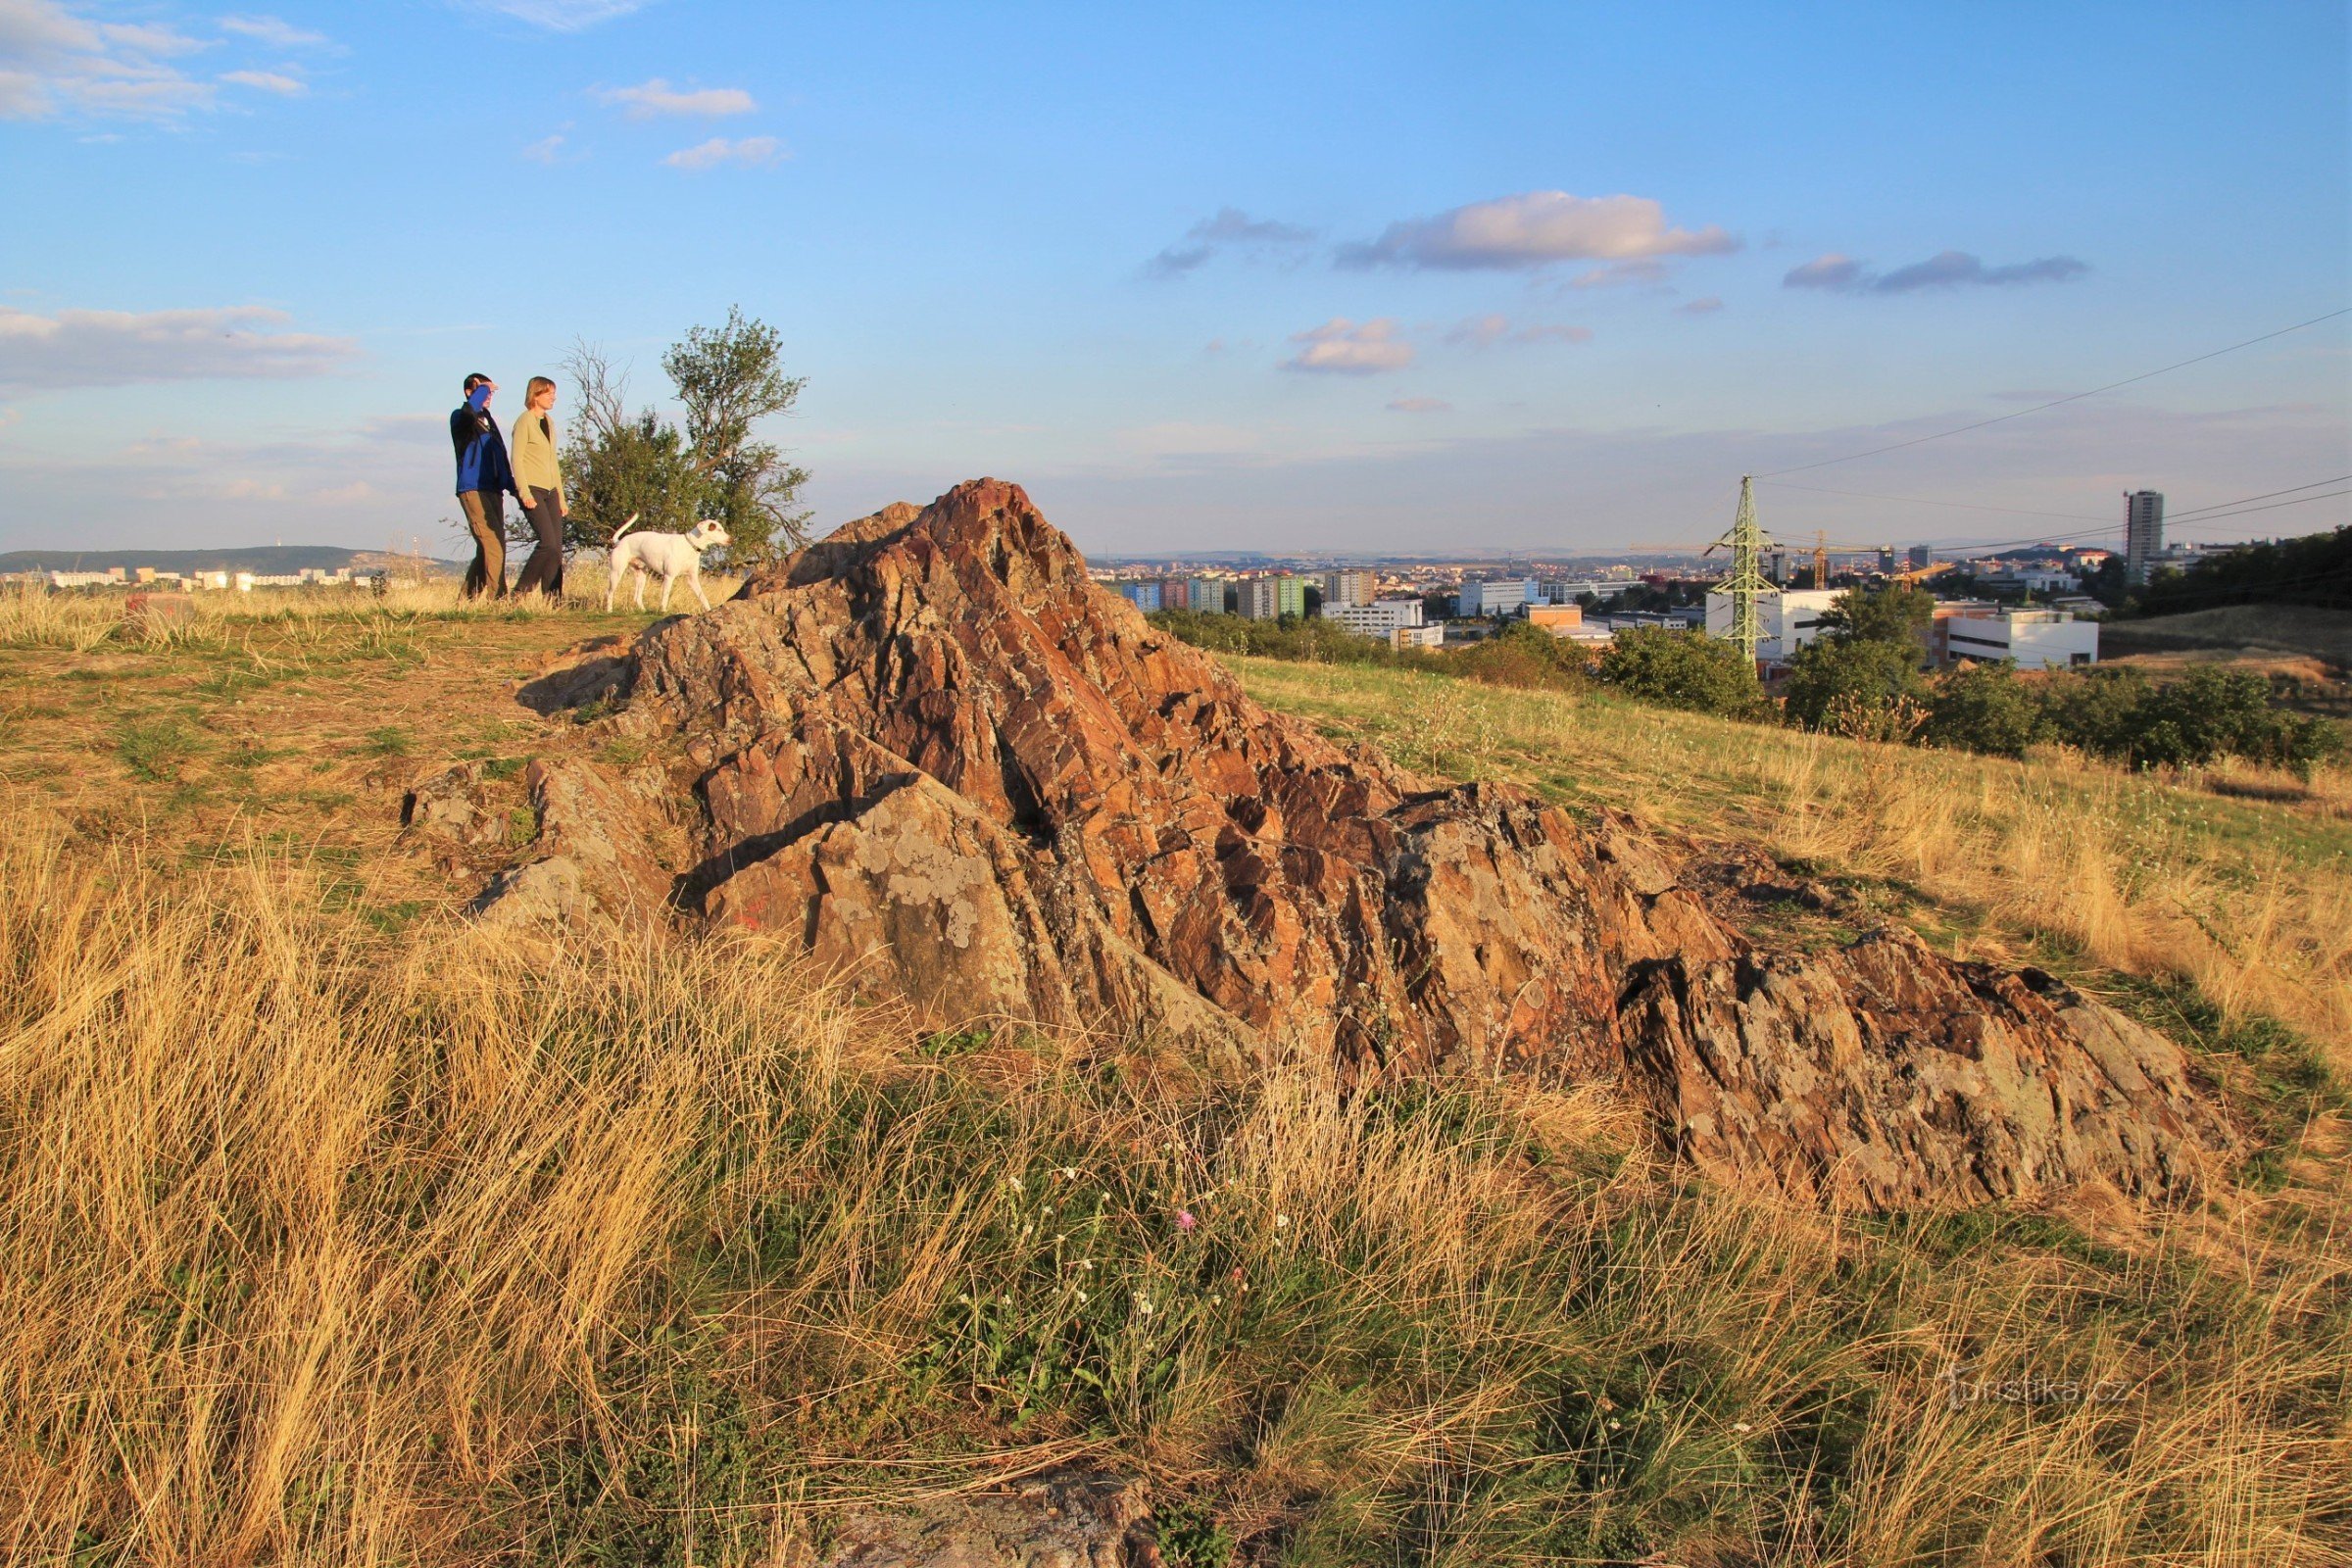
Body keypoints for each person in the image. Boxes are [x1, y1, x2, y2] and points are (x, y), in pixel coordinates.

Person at [449, 372, 517, 598]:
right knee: (493, 543)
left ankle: (465, 600)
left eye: (490, 392)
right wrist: (484, 389)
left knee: (488, 548)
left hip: (493, 489)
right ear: (470, 392)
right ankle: (498, 599)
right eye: (482, 390)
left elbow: (500, 455)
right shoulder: (460, 417)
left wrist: (513, 487)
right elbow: (469, 412)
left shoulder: (489, 420)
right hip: (473, 489)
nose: (488, 395)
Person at [508, 375, 569, 598]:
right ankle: (520, 591)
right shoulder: (524, 421)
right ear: (536, 395)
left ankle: (554, 600)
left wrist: (562, 497)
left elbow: (554, 462)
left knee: (556, 548)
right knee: (547, 542)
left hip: (551, 490)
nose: (554, 398)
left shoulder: (549, 423)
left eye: (554, 393)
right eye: (549, 393)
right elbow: (516, 459)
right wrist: (524, 492)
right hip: (532, 488)